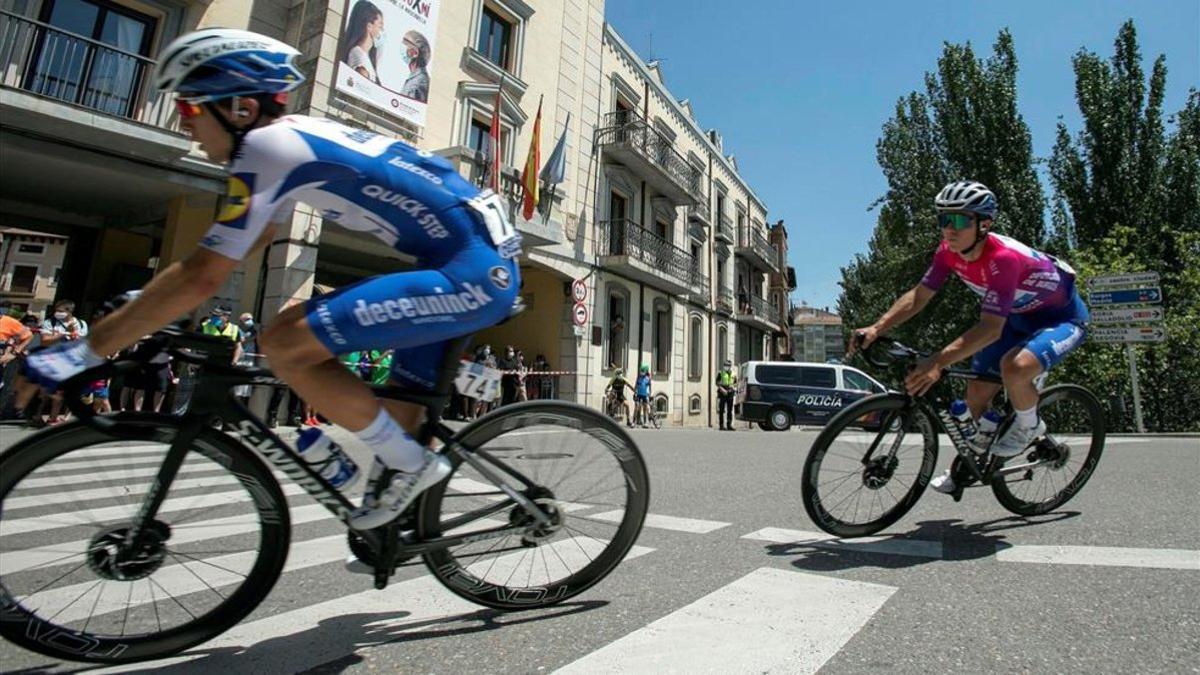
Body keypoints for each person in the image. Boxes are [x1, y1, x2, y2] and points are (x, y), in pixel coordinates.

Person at [20, 28, 521, 531]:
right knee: (399, 418)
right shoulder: (284, 144)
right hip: (462, 262)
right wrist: (150, 304)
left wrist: (86, 350)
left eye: (191, 109)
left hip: (471, 270)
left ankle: (417, 468)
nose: (185, 123)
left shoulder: (265, 147)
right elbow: (241, 248)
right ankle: (402, 521)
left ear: (239, 107)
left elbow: (201, 276)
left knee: (284, 342)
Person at [848, 180, 1088, 493]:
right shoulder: (948, 252)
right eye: (944, 220)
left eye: (960, 220)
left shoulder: (1003, 258)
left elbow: (990, 328)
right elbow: (919, 296)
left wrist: (938, 361)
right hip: (1015, 319)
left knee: (1013, 368)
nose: (949, 228)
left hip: (1060, 319)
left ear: (984, 224)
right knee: (975, 393)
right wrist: (877, 327)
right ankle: (970, 464)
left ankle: (1030, 426)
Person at [38, 300, 88, 425]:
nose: (57, 313)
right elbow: (44, 341)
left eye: (61, 311)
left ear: (69, 312)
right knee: (45, 391)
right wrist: (61, 335)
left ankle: (53, 418)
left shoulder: (81, 324)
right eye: (56, 310)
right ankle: (37, 416)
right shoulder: (50, 323)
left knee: (62, 392)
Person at [340, 0, 382, 83]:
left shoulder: (364, 55)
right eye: (380, 26)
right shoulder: (358, 56)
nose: (381, 31)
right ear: (369, 26)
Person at [399, 30, 431, 102]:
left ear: (415, 53)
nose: (402, 46)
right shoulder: (414, 78)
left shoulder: (419, 82)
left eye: (405, 43)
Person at [715, 359, 737, 430]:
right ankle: (721, 425)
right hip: (722, 392)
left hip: (730, 392)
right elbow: (717, 383)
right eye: (725, 365)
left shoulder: (733, 374)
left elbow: (736, 383)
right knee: (721, 410)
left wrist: (733, 388)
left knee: (730, 410)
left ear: (730, 366)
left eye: (727, 365)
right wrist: (722, 389)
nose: (726, 366)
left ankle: (729, 425)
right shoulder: (720, 373)